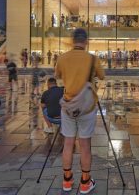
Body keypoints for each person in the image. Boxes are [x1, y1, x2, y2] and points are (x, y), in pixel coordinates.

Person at [55, 28, 105, 194]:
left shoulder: (62, 58)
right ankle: (85, 182)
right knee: (85, 144)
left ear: (72, 40)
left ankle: (67, 181)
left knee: (68, 142)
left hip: (68, 106)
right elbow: (102, 76)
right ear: (86, 41)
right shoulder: (92, 59)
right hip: (87, 108)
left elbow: (58, 76)